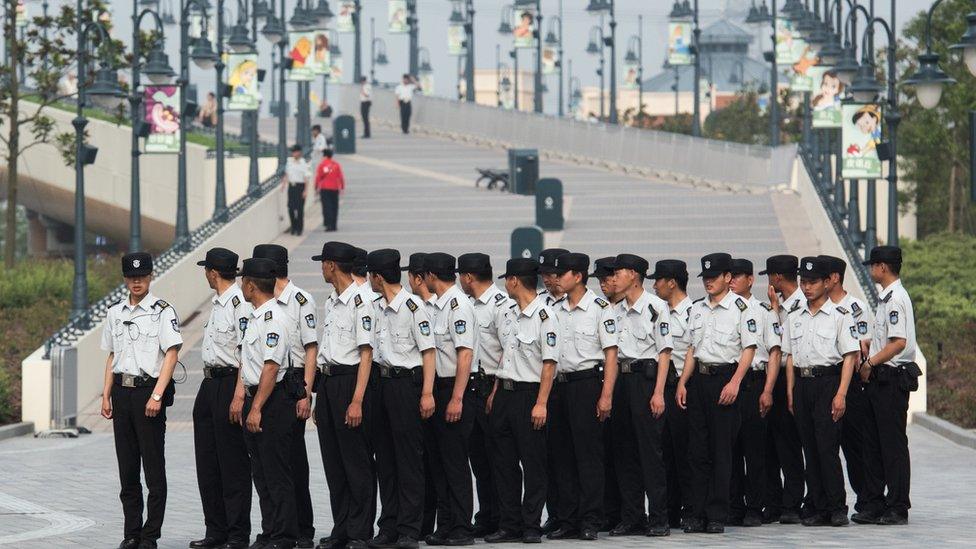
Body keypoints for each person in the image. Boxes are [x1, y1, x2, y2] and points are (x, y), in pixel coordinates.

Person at [101, 252, 182, 549]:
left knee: (153, 469)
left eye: (143, 276)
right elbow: (112, 356)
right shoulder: (114, 313)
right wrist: (106, 393)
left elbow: (171, 354)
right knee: (127, 469)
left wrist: (158, 395)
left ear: (150, 276)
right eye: (132, 277)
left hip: (149, 392)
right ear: (125, 279)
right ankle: (131, 533)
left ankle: (150, 535)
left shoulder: (162, 311)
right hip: (122, 393)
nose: (137, 281)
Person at [676, 252, 758, 534]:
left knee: (721, 451)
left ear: (727, 278)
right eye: (705, 278)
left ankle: (716, 514)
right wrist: (682, 382)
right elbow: (691, 349)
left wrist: (735, 382)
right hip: (699, 380)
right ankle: (695, 512)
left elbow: (748, 349)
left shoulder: (741, 309)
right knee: (696, 451)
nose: (708, 282)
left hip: (725, 379)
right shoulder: (697, 309)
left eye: (714, 277)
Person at [485, 258, 559, 544]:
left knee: (533, 463)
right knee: (503, 463)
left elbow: (549, 364)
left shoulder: (545, 316)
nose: (506, 283)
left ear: (514, 280)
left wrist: (541, 403)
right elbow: (506, 354)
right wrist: (494, 391)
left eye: (508, 279)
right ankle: (509, 523)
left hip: (530, 395)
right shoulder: (508, 312)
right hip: (504, 392)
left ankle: (531, 524)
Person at [369, 249, 437, 549]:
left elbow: (428, 353)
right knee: (385, 459)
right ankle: (389, 526)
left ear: (377, 277)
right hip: (381, 384)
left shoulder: (413, 308)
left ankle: (410, 529)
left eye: (370, 274)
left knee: (408, 460)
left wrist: (426, 393)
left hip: (406, 386)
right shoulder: (376, 306)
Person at [548, 253, 619, 540]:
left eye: (562, 274)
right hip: (559, 387)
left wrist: (606, 395)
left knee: (588, 456)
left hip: (586, 385)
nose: (556, 279)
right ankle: (567, 519)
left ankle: (590, 519)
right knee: (562, 456)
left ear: (577, 276)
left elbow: (611, 354)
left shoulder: (600, 308)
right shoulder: (556, 309)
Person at [253, 244, 318, 549]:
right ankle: (278, 527)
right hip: (270, 386)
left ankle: (302, 528)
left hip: (290, 386)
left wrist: (305, 393)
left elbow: (310, 348)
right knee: (271, 465)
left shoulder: (300, 300)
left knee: (294, 464)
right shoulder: (261, 304)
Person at [312, 241, 377, 549]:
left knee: (356, 462)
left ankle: (360, 530)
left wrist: (357, 400)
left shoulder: (362, 301)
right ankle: (342, 526)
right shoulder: (334, 299)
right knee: (334, 462)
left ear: (332, 265)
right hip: (328, 382)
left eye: (323, 263)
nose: (322, 268)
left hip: (350, 382)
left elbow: (366, 353)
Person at [786, 256, 859, 527]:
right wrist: (791, 391)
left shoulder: (840, 315)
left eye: (812, 282)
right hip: (803, 385)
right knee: (810, 448)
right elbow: (791, 356)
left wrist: (841, 394)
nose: (806, 287)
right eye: (803, 282)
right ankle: (817, 506)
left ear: (827, 282)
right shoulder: (795, 316)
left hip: (828, 384)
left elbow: (850, 357)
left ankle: (836, 506)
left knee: (827, 447)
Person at [191, 248, 253, 549]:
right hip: (209, 383)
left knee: (233, 464)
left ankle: (237, 533)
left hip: (230, 384)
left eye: (206, 269)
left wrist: (239, 395)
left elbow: (245, 353)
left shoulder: (239, 304)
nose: (205, 274)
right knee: (208, 463)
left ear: (213, 272)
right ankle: (215, 529)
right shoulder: (217, 303)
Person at [609, 254, 673, 537]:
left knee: (650, 452)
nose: (613, 278)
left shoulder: (657, 307)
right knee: (624, 451)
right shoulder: (616, 309)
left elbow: (664, 352)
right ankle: (632, 516)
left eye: (618, 273)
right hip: (622, 381)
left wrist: (659, 392)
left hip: (645, 382)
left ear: (633, 275)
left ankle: (659, 517)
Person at [237, 257, 299, 549]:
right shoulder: (256, 316)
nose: (240, 285)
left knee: (276, 473)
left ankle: (285, 535)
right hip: (257, 398)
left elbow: (271, 368)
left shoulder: (274, 319)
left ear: (250, 285)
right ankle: (270, 530)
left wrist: (257, 407)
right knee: (261, 473)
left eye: (242, 281)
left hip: (272, 403)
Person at [857, 245, 919, 526]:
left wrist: (870, 362)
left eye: (874, 265)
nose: (871, 270)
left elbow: (899, 343)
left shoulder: (895, 299)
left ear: (882, 267)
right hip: (879, 381)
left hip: (890, 380)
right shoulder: (886, 299)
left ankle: (897, 505)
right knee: (872, 443)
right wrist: (872, 345)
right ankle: (874, 502)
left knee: (892, 445)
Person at [422, 253, 479, 546]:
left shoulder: (458, 307)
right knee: (439, 462)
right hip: (439, 388)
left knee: (455, 463)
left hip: (454, 390)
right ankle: (445, 524)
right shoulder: (438, 307)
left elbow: (465, 354)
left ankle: (461, 527)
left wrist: (457, 398)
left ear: (432, 275)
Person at [457, 253, 513, 538]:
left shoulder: (500, 304)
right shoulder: (465, 305)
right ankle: (487, 514)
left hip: (492, 384)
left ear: (468, 277)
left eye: (461, 276)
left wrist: (495, 391)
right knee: (478, 457)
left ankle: (505, 517)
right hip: (472, 388)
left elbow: (507, 350)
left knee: (498, 459)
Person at [728, 259, 783, 528]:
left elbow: (774, 352)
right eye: (730, 275)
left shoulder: (763, 311)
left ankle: (755, 506)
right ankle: (734, 504)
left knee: (755, 450)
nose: (732, 281)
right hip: (727, 384)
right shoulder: (722, 308)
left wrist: (768, 389)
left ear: (750, 280)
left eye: (738, 276)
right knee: (730, 449)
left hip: (753, 383)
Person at [820, 254, 873, 518]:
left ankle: (866, 499)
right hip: (823, 381)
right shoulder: (817, 306)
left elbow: (862, 345)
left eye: (823, 276)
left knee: (854, 446)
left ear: (834, 278)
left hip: (850, 383)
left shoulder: (856, 307)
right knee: (825, 447)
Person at [759, 254, 806, 524]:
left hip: (798, 378)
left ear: (777, 277)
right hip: (776, 378)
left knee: (790, 445)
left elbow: (787, 343)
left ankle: (793, 502)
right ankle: (774, 501)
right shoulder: (780, 306)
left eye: (770, 275)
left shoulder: (802, 304)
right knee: (773, 444)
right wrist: (775, 308)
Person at [649, 259, 694, 530]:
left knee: (685, 452)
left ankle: (690, 509)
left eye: (658, 280)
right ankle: (668, 510)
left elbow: (692, 349)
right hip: (661, 386)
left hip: (683, 387)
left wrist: (683, 382)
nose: (654, 285)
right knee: (662, 452)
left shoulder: (694, 312)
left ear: (672, 282)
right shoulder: (658, 312)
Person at [536, 246, 568, 535]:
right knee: (549, 455)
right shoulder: (539, 305)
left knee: (573, 454)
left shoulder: (588, 304)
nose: (549, 280)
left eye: (554, 274)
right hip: (547, 387)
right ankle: (555, 513)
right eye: (545, 274)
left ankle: (577, 514)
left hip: (576, 385)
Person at [590, 256, 622, 532]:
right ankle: (605, 511)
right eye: (599, 280)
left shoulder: (621, 308)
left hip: (621, 385)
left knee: (621, 452)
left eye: (606, 279)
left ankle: (622, 512)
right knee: (599, 452)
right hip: (596, 384)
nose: (603, 284)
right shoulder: (599, 308)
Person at [282, 144, 312, 236]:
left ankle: (299, 228)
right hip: (292, 187)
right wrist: (283, 184)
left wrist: (305, 191)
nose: (293, 153)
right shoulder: (289, 162)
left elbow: (306, 178)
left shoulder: (304, 163)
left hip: (300, 187)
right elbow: (287, 174)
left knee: (299, 209)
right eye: (293, 152)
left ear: (299, 152)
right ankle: (293, 226)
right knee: (290, 208)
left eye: (295, 152)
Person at [315, 149, 345, 232]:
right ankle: (334, 225)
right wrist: (342, 187)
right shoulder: (336, 164)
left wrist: (316, 187)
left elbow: (318, 177)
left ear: (324, 156)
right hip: (335, 188)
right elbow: (341, 177)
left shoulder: (322, 165)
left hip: (325, 188)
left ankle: (328, 225)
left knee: (326, 207)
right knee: (334, 207)